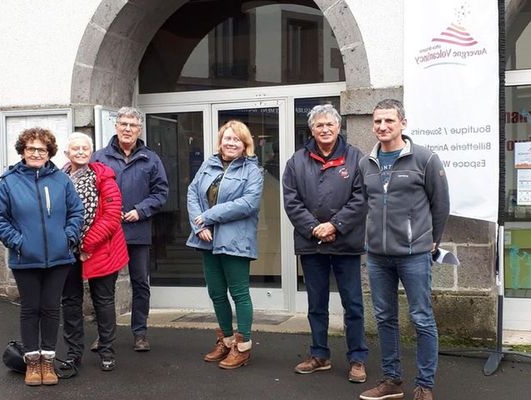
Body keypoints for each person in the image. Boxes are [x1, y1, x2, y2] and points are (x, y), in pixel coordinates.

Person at [358, 99, 450, 400]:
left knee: (422, 318)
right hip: (377, 256)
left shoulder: (425, 159)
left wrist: (432, 239)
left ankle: (424, 385)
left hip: (414, 254)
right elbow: (365, 205)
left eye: (389, 121)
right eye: (377, 122)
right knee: (385, 318)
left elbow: (441, 205)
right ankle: (391, 381)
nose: (382, 127)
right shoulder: (366, 164)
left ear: (403, 123)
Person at [0, 127, 84, 386]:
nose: (36, 153)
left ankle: (48, 363)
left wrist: (68, 238)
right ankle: (32, 364)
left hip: (59, 258)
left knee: (52, 309)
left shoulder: (62, 180)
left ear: (49, 152)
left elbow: (76, 212)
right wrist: (18, 242)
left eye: (41, 149)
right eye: (30, 148)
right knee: (31, 309)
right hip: (25, 259)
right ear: (22, 151)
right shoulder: (9, 181)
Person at [282, 104, 369, 383]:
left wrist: (334, 225)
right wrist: (314, 229)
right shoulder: (296, 161)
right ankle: (319, 354)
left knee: (353, 304)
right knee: (316, 304)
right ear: (311, 129)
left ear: (339, 127)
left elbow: (361, 199)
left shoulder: (356, 159)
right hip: (312, 245)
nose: (325, 129)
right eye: (319, 125)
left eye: (330, 124)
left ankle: (357, 358)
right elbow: (291, 201)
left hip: (346, 244)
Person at [186, 120, 264, 369]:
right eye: (227, 138)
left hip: (235, 239)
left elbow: (248, 203)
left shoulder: (252, 170)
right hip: (207, 239)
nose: (231, 143)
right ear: (220, 141)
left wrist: (209, 216)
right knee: (216, 292)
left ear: (245, 145)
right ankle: (226, 340)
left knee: (239, 293)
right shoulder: (208, 164)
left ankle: (242, 346)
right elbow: (192, 193)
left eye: (236, 140)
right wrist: (199, 227)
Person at [91, 107, 168, 351]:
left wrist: (141, 210)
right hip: (107, 233)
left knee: (140, 283)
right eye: (123, 124)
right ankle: (105, 335)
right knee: (105, 287)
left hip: (138, 231)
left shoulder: (151, 158)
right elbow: (88, 193)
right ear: (116, 127)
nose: (127, 129)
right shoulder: (99, 158)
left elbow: (161, 192)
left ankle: (140, 333)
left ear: (139, 129)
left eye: (132, 125)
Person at [61, 132, 129, 372]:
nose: (80, 152)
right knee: (70, 301)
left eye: (85, 148)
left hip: (101, 248)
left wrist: (86, 245)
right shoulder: (59, 180)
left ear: (91, 152)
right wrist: (72, 245)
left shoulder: (104, 177)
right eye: (75, 148)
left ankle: (107, 350)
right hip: (67, 250)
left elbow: (112, 218)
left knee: (103, 301)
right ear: (66, 153)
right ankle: (73, 352)